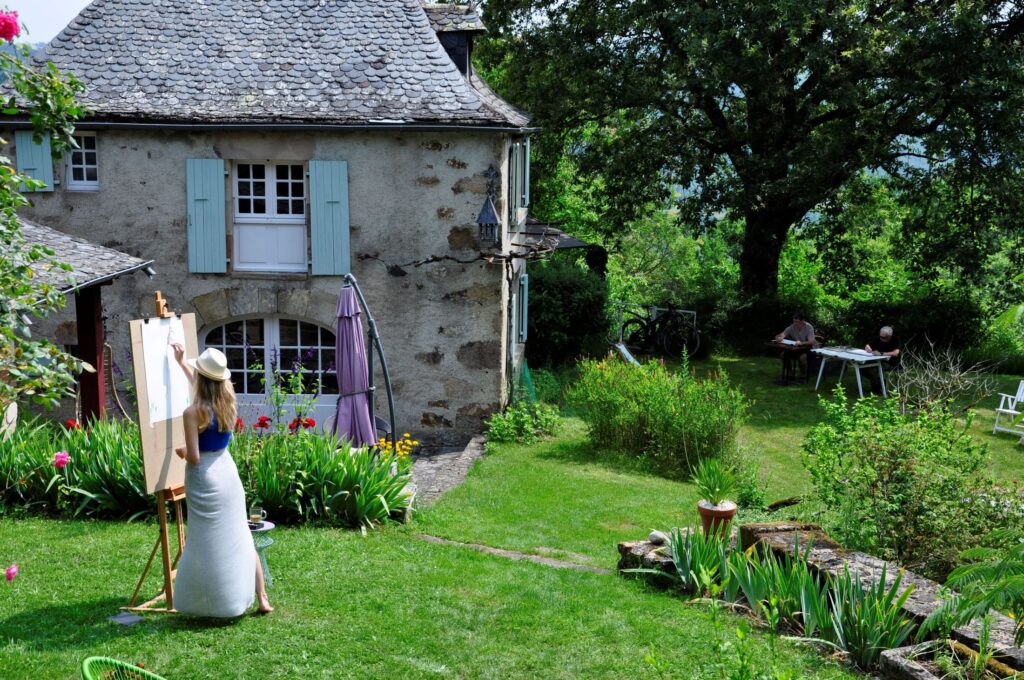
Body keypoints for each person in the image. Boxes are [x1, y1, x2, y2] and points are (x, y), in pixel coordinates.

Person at [171, 344, 272, 617]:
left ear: (201, 378)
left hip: (204, 476)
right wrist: (182, 364)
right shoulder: (227, 403)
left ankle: (212, 602)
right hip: (227, 472)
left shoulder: (192, 413)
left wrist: (180, 450)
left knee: (206, 541)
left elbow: (193, 456)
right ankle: (261, 597)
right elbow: (206, 391)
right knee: (239, 535)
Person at [775, 312, 817, 379]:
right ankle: (790, 374)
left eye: (797, 322)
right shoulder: (792, 327)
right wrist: (779, 337)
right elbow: (781, 334)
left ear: (802, 320)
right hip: (797, 349)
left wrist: (801, 343)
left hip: (809, 349)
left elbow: (811, 341)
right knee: (783, 355)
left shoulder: (809, 327)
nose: (795, 323)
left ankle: (803, 375)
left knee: (802, 357)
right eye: (794, 321)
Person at [865, 326, 901, 392]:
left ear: (890, 336)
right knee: (863, 368)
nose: (881, 339)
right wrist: (867, 347)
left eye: (884, 337)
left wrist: (881, 353)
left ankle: (876, 389)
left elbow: (896, 353)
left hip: (890, 362)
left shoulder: (895, 340)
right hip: (878, 360)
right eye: (880, 336)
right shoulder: (878, 339)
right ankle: (880, 382)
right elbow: (869, 345)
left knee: (873, 369)